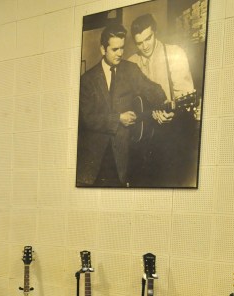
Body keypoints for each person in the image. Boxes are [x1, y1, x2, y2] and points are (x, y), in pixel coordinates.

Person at [76, 23, 166, 187]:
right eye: (115, 49)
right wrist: (118, 118)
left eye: (122, 48)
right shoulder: (87, 80)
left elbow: (153, 90)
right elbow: (86, 118)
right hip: (95, 157)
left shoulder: (130, 70)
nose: (120, 53)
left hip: (124, 154)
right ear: (103, 49)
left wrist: (164, 104)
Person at [127, 13, 200, 188]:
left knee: (169, 182)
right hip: (143, 136)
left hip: (172, 133)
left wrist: (172, 113)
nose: (145, 46)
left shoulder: (175, 53)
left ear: (155, 32)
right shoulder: (131, 62)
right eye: (139, 43)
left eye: (148, 38)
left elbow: (185, 94)